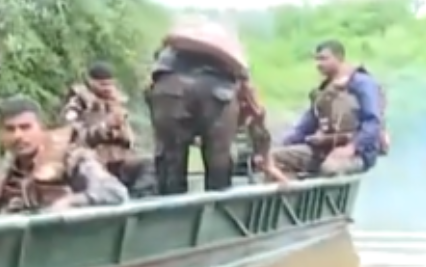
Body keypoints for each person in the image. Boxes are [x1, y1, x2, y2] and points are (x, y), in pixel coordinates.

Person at [146, 23, 248, 194]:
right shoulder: (227, 42)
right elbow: (244, 81)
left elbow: (150, 84)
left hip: (170, 87)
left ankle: (170, 212)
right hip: (219, 89)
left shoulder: (170, 49)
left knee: (170, 156)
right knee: (219, 155)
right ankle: (219, 208)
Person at [0, 97, 130, 214]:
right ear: (0, 134)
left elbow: (115, 192)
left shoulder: (71, 158)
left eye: (25, 127)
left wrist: (72, 202)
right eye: (10, 129)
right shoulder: (3, 170)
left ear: (42, 128)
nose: (18, 136)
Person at [269, 39, 385, 177]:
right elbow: (306, 126)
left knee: (329, 168)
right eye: (317, 60)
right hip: (323, 150)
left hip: (356, 152)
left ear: (339, 58)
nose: (319, 64)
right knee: (272, 157)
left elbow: (372, 122)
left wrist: (351, 148)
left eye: (324, 59)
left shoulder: (362, 83)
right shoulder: (325, 90)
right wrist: (283, 144)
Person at [60, 61, 156, 197]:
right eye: (103, 85)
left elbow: (130, 141)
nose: (107, 89)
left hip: (119, 162)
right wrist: (105, 127)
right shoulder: (77, 104)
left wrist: (123, 132)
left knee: (150, 165)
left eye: (110, 84)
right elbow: (71, 137)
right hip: (90, 165)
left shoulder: (117, 102)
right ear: (91, 82)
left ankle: (139, 203)